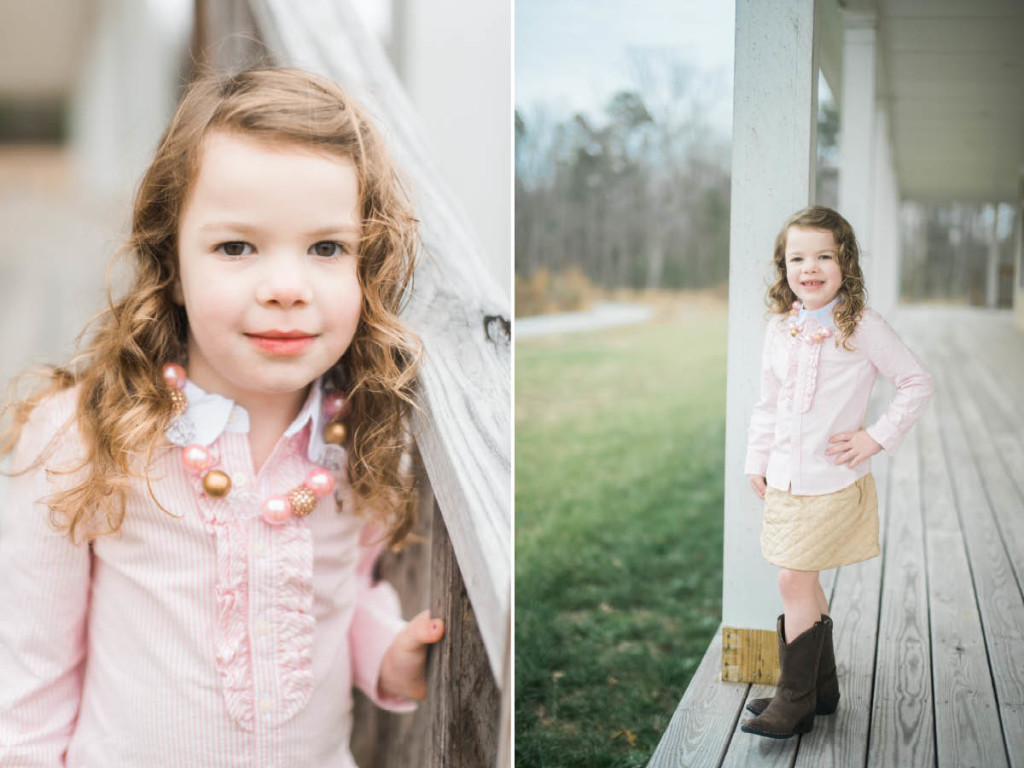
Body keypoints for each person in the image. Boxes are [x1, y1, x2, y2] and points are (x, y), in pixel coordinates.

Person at [0, 67, 444, 766]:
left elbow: (335, 594)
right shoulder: (79, 439)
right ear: (171, 261)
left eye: (327, 248)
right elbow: (28, 690)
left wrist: (383, 656)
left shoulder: (359, 436)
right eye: (236, 247)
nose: (286, 289)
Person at [740, 205, 932, 739]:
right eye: (798, 257)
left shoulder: (862, 326)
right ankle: (820, 691)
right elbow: (768, 402)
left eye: (824, 256)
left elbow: (916, 382)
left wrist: (875, 436)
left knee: (791, 577)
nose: (811, 267)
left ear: (845, 262)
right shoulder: (782, 329)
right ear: (784, 267)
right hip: (785, 480)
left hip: (831, 482)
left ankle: (793, 698)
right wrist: (757, 459)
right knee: (804, 578)